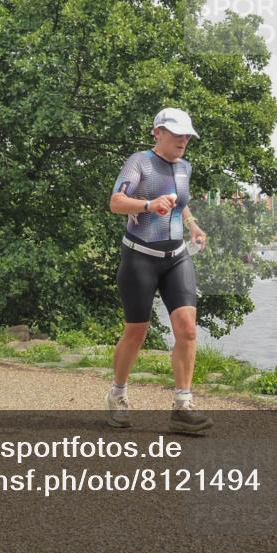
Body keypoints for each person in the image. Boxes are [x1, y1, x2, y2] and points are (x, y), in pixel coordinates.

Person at [108, 107, 210, 434]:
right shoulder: (139, 162)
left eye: (186, 135)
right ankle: (118, 395)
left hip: (176, 257)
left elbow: (181, 203)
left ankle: (182, 406)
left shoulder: (184, 168)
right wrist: (147, 206)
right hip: (140, 257)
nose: (183, 140)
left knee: (187, 328)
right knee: (136, 332)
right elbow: (115, 202)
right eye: (176, 133)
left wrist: (193, 226)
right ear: (158, 133)